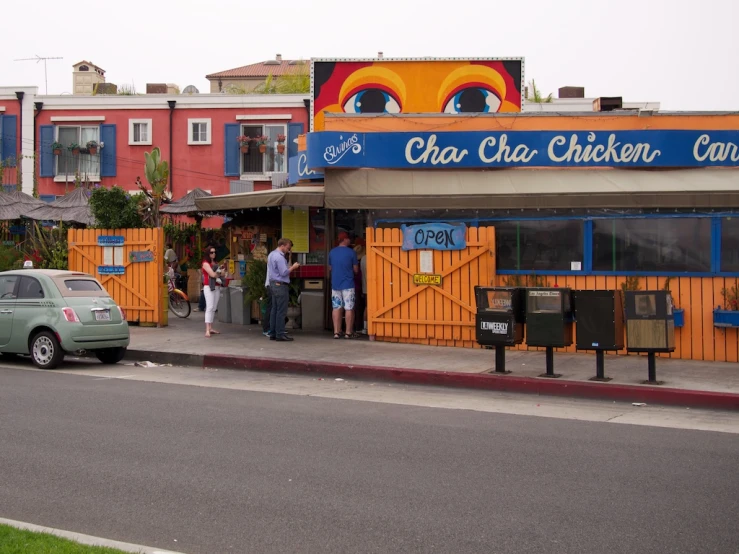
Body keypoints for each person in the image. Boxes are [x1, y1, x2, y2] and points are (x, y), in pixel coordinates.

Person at [268, 238, 299, 342]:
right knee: (281, 311)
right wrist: (294, 267)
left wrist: (289, 257)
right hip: (281, 285)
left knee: (274, 310)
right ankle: (280, 334)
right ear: (282, 245)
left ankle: (272, 333)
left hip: (273, 284)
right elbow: (284, 272)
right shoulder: (280, 257)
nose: (288, 249)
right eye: (287, 247)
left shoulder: (272, 254)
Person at [329, 232, 359, 339]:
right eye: (349, 239)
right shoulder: (351, 252)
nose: (350, 241)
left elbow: (330, 268)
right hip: (348, 284)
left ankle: (336, 332)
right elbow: (356, 270)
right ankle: (348, 332)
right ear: (345, 239)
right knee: (349, 308)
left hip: (335, 284)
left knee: (336, 307)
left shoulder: (332, 252)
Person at [202, 245, 223, 338]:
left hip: (216, 286)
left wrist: (218, 273)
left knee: (214, 307)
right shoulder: (205, 263)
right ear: (208, 253)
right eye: (211, 252)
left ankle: (210, 327)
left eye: (214, 252)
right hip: (209, 286)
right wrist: (219, 273)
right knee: (210, 307)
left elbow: (220, 273)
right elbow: (213, 274)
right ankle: (207, 329)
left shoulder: (215, 263)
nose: (213, 254)